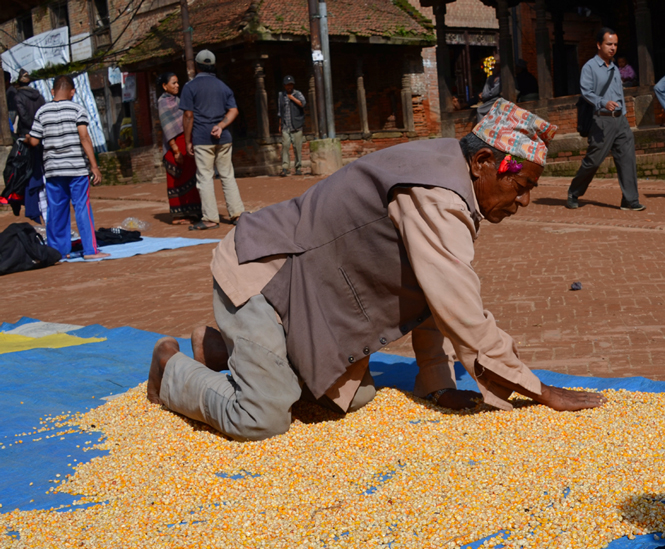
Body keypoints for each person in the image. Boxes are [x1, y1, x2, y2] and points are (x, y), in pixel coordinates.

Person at [146, 98, 607, 441]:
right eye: (520, 185)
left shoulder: (455, 177)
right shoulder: (439, 195)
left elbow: (430, 289)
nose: (524, 201)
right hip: (266, 275)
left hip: (310, 294)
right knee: (261, 417)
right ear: (484, 162)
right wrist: (538, 389)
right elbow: (459, 308)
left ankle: (221, 347)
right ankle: (172, 370)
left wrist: (437, 383)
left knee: (350, 397)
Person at [24, 75, 109, 260]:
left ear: (53, 91)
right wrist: (94, 166)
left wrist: (26, 138)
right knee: (82, 208)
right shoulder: (78, 110)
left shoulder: (42, 112)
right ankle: (90, 250)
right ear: (73, 92)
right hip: (77, 168)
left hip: (54, 170)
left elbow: (35, 140)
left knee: (56, 210)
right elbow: (84, 137)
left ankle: (57, 252)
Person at [566, 27, 644, 212]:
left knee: (627, 159)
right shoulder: (590, 67)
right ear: (599, 45)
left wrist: (623, 114)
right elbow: (586, 92)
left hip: (621, 121)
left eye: (615, 44)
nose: (613, 48)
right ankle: (574, 192)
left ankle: (630, 199)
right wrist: (602, 103)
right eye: (609, 44)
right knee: (593, 161)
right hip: (601, 121)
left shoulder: (615, 68)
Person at [179, 49, 245, 230]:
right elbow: (233, 111)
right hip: (223, 138)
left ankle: (210, 218)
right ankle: (238, 214)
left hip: (202, 138)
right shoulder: (224, 87)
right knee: (227, 175)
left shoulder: (190, 87)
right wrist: (221, 126)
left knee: (205, 178)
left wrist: (187, 141)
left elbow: (188, 115)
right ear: (213, 66)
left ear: (197, 66)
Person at [157, 72, 201, 224]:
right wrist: (176, 150)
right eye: (173, 83)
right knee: (176, 180)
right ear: (164, 86)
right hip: (174, 146)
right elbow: (167, 128)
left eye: (177, 83)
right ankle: (178, 215)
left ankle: (192, 212)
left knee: (190, 177)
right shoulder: (162, 102)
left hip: (186, 143)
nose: (177, 85)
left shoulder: (178, 100)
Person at [277, 75, 307, 177]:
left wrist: (292, 98)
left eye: (291, 85)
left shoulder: (297, 94)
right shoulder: (281, 95)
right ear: (284, 86)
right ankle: (285, 168)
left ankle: (298, 168)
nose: (289, 87)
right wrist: (280, 124)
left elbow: (303, 104)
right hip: (286, 126)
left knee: (297, 148)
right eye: (287, 85)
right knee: (285, 146)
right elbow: (280, 111)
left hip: (297, 125)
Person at [13, 70, 46, 138]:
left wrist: (33, 127)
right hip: (40, 130)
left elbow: (24, 116)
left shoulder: (18, 97)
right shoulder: (39, 95)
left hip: (26, 133)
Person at [477, 55, 501, 120]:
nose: (494, 68)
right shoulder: (491, 78)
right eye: (494, 66)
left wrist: (484, 96)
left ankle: (482, 129)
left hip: (496, 99)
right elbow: (487, 89)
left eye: (496, 66)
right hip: (488, 98)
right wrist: (482, 95)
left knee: (480, 110)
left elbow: (493, 92)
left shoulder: (501, 78)